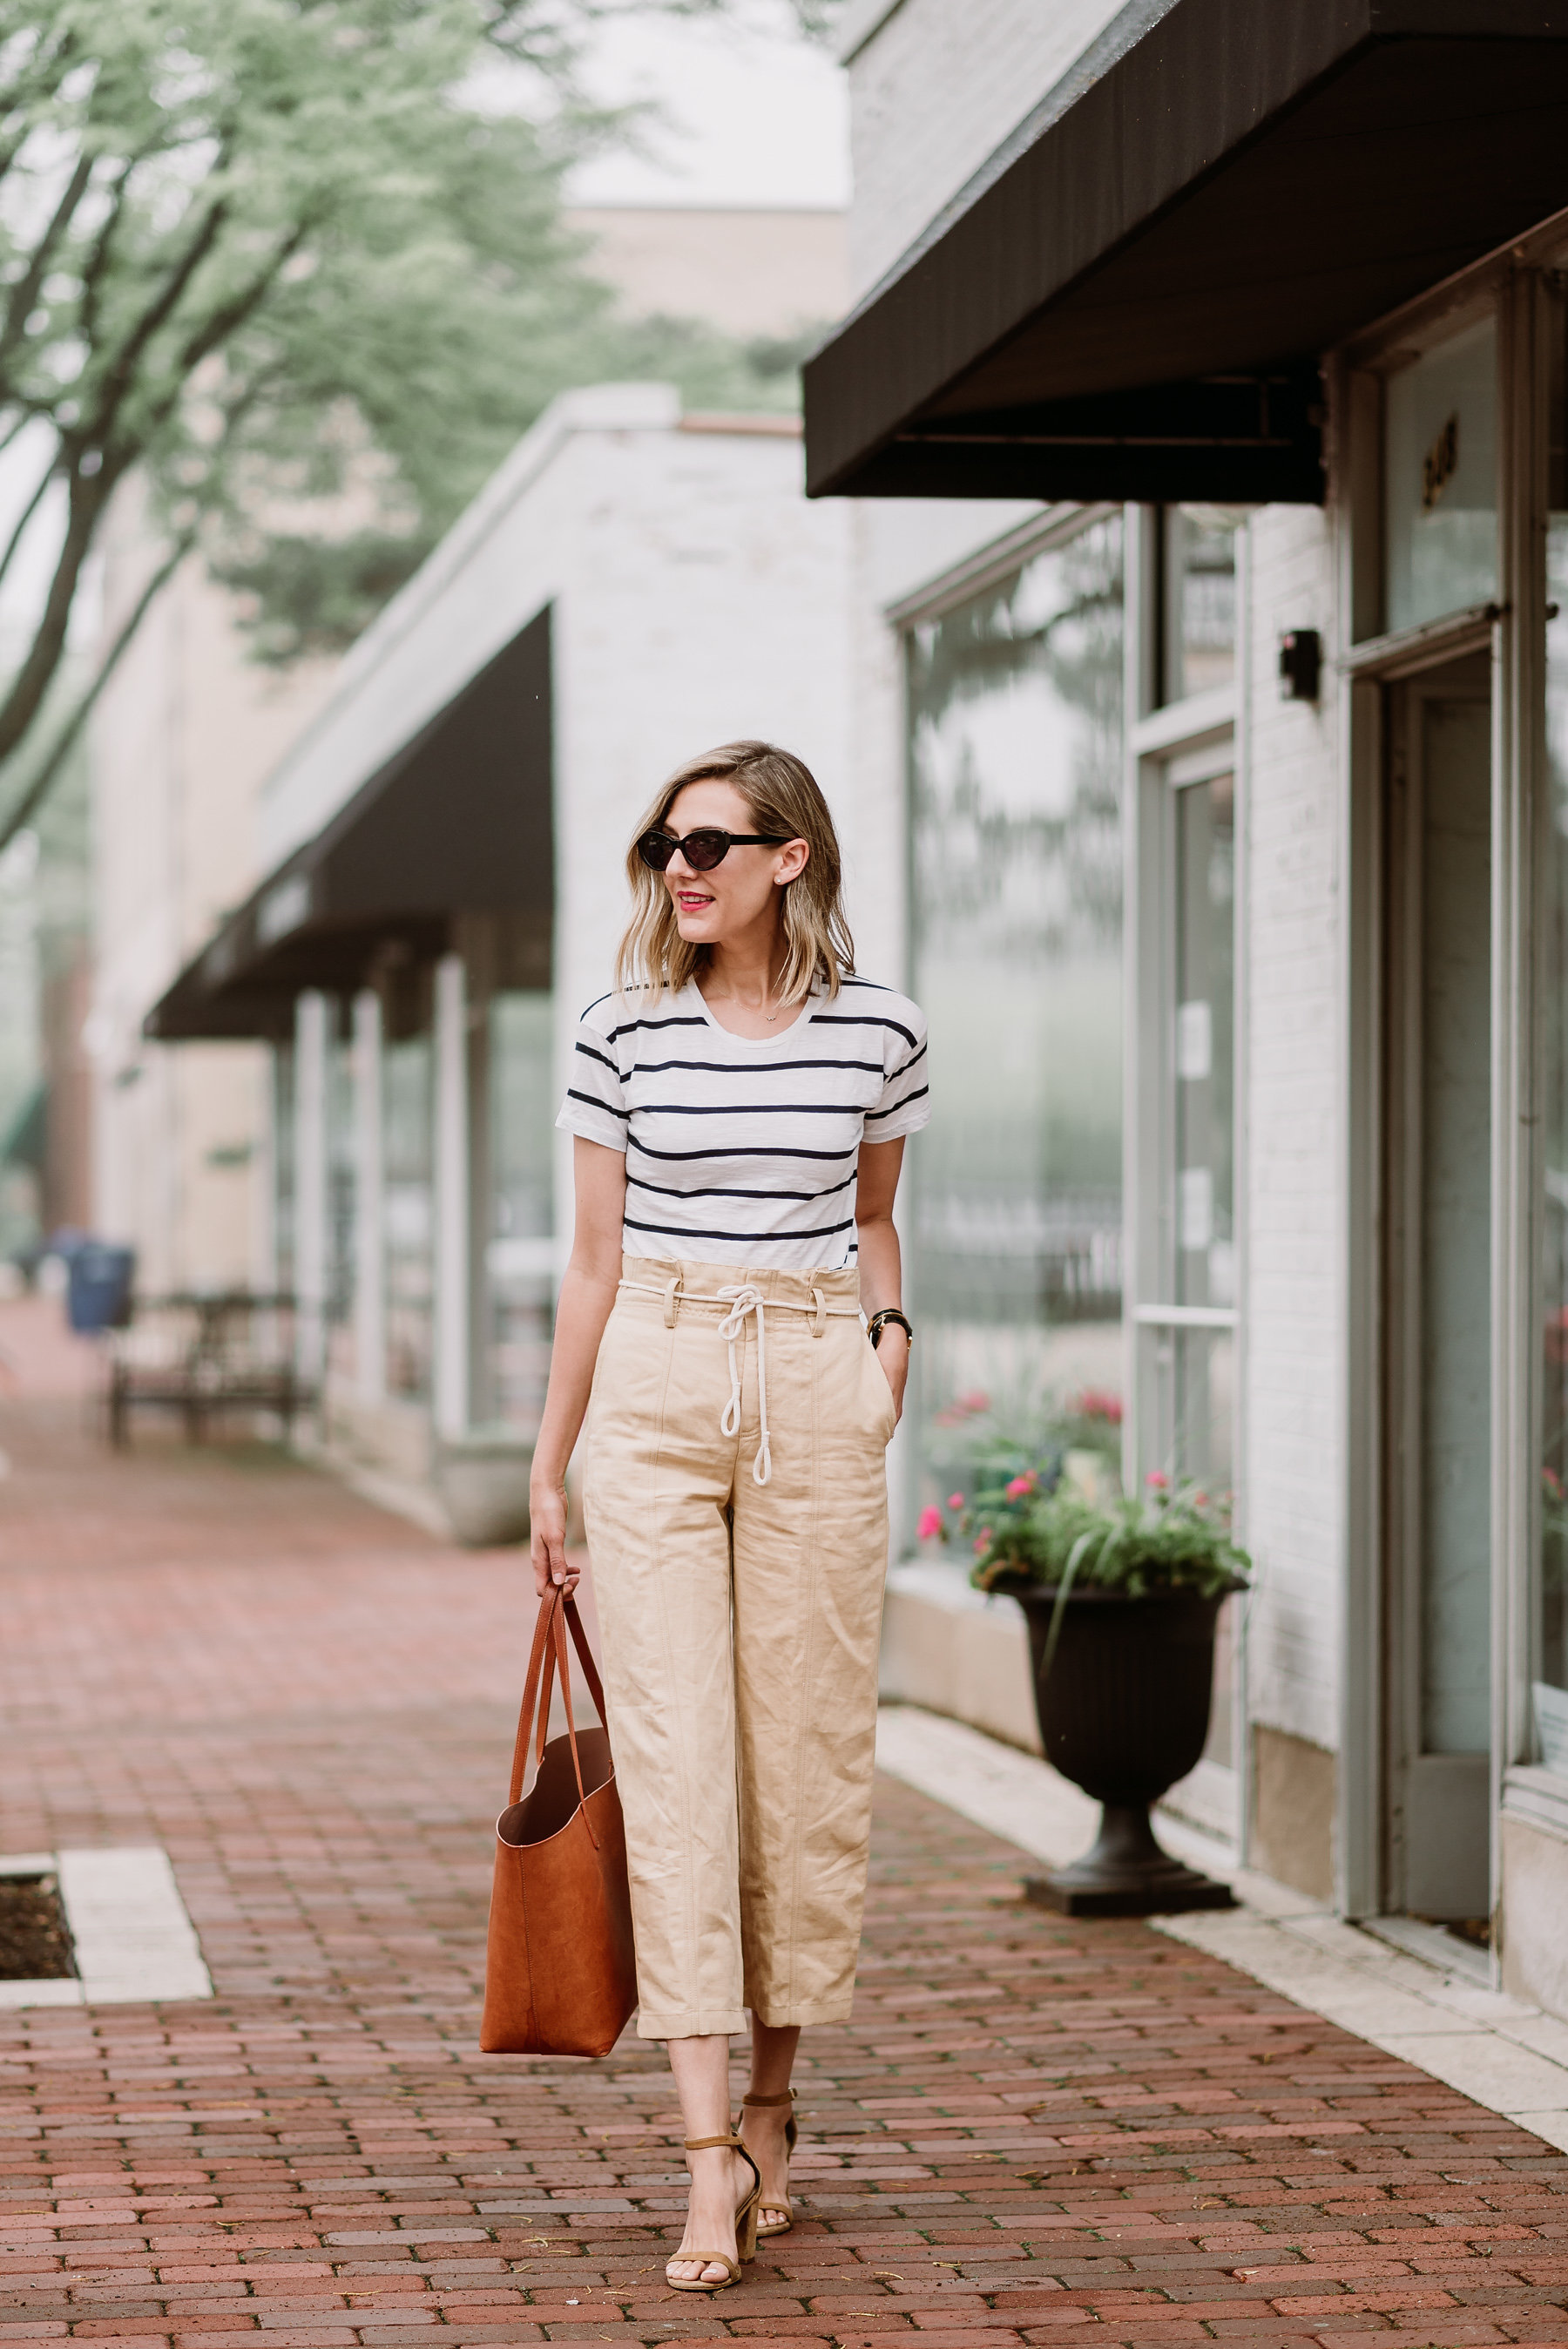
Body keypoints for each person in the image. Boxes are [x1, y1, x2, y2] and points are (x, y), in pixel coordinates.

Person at [529, 739, 928, 2291]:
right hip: (656, 1385)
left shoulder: (878, 1029)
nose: (678, 867)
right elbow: (590, 1265)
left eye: (707, 842)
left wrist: (890, 1350)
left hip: (819, 1380)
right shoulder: (618, 1030)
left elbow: (877, 1213)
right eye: (660, 846)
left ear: (791, 858)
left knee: (802, 1753)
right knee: (683, 1763)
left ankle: (773, 2103)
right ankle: (703, 2162)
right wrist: (549, 1463)